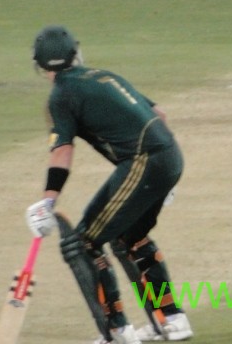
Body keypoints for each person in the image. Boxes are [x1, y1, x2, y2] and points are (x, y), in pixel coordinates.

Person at [24, 25, 193, 344]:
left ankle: (117, 331)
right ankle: (171, 320)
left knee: (84, 243)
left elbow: (62, 151)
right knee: (130, 236)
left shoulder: (61, 96)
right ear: (76, 53)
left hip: (145, 161)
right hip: (170, 155)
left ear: (39, 64)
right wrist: (165, 179)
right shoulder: (103, 76)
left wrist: (48, 202)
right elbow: (159, 113)